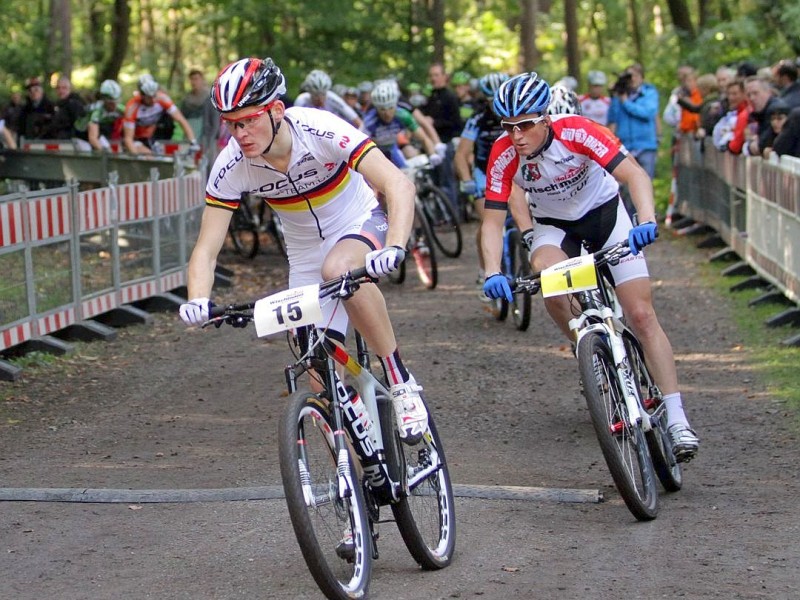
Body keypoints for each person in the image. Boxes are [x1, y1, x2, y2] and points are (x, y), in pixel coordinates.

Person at [178, 57, 428, 442]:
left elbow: (398, 185)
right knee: (320, 383)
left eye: (249, 120)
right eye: (232, 124)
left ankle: (400, 380)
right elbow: (206, 249)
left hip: (359, 221)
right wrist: (198, 298)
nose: (240, 133)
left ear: (277, 110)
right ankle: (364, 479)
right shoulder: (233, 164)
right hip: (304, 256)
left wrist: (394, 246)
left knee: (339, 268)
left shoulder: (318, 127)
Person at [480, 72, 699, 462]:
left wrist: (646, 219)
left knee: (641, 314)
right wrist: (492, 269)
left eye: (525, 125)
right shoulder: (503, 154)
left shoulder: (578, 131)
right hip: (555, 227)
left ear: (545, 118)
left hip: (605, 216)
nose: (516, 135)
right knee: (549, 281)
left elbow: (634, 173)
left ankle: (678, 417)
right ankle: (588, 347)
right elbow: (493, 221)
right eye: (508, 127)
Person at [453, 72, 508, 297]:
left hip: (511, 172)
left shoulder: (515, 115)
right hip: (484, 173)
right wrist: (466, 180)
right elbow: (461, 154)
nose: (495, 105)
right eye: (490, 100)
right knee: (488, 221)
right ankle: (484, 269)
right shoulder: (477, 119)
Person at [361, 79, 441, 167]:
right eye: (382, 109)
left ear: (396, 105)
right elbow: (360, 146)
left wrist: (433, 154)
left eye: (391, 107)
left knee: (404, 172)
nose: (387, 113)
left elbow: (423, 138)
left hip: (392, 148)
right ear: (376, 108)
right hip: (374, 150)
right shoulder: (370, 121)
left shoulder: (403, 115)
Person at [421, 63, 463, 214]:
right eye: (431, 75)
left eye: (436, 75)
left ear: (444, 77)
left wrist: (434, 122)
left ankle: (453, 214)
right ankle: (441, 215)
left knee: (447, 181)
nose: (433, 79)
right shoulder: (431, 96)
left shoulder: (450, 97)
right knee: (435, 181)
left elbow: (456, 123)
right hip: (431, 145)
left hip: (446, 143)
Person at [606, 63, 659, 179]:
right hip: (625, 147)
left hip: (645, 145)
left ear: (642, 77)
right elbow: (612, 119)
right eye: (629, 76)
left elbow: (647, 113)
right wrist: (615, 96)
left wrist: (626, 103)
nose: (632, 79)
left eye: (635, 76)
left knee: (645, 181)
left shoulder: (649, 93)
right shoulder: (619, 95)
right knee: (626, 185)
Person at [122, 74, 198, 155]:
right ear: (142, 95)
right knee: (149, 156)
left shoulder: (163, 98)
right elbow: (128, 138)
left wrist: (193, 141)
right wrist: (136, 157)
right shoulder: (132, 107)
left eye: (154, 95)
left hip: (155, 136)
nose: (153, 100)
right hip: (137, 139)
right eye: (149, 97)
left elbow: (181, 120)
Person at [293, 69, 363, 128]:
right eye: (316, 95)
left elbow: (358, 122)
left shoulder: (333, 98)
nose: (320, 99)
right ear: (310, 93)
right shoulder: (301, 100)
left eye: (323, 94)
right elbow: (293, 123)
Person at [180, 69, 220, 160]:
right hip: (190, 135)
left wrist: (212, 138)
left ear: (202, 79)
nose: (194, 82)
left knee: (207, 161)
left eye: (196, 79)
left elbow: (215, 120)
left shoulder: (210, 97)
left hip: (207, 136)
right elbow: (182, 118)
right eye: (192, 79)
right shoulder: (187, 99)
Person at [743, 76, 778, 157]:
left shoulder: (774, 111)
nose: (752, 98)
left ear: (768, 92)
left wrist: (751, 144)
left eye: (755, 93)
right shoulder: (758, 114)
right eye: (748, 95)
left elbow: (761, 145)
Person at [86, 79, 125, 152]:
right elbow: (93, 138)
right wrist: (106, 155)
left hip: (106, 134)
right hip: (86, 136)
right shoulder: (96, 111)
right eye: (111, 103)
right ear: (104, 100)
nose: (114, 105)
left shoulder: (120, 109)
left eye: (116, 101)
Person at [712, 79, 750, 153]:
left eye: (734, 94)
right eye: (729, 94)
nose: (731, 98)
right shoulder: (732, 113)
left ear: (744, 94)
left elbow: (736, 145)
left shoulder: (748, 113)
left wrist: (728, 145)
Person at [49, 75, 87, 140]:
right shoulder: (58, 105)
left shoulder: (75, 104)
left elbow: (78, 126)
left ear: (70, 89)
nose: (61, 91)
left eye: (64, 88)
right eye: (58, 88)